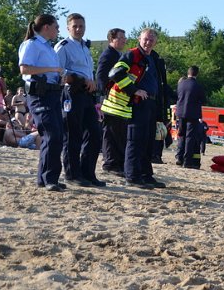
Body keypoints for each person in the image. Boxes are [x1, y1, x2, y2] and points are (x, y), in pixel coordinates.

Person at [103, 28, 168, 189]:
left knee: (147, 142)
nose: (148, 42)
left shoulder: (152, 58)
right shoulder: (132, 55)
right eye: (146, 39)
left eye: (152, 39)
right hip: (137, 103)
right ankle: (132, 177)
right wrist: (133, 90)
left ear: (156, 41)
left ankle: (146, 175)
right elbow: (115, 73)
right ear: (139, 39)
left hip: (150, 104)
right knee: (135, 141)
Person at [54, 13, 105, 187]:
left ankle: (87, 172)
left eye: (81, 26)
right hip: (72, 92)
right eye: (74, 26)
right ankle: (72, 174)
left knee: (94, 134)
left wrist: (91, 82)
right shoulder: (63, 46)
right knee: (72, 135)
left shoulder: (85, 47)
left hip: (87, 94)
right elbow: (57, 71)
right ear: (68, 27)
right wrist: (80, 79)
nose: (78, 29)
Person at [18, 14, 66, 191]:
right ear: (46, 27)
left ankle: (46, 177)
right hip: (39, 95)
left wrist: (58, 77)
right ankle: (48, 178)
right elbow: (24, 68)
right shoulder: (32, 44)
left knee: (57, 135)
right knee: (51, 134)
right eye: (56, 26)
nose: (58, 30)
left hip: (52, 94)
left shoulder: (48, 47)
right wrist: (53, 69)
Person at [96, 28, 128, 175]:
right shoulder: (108, 55)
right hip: (110, 100)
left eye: (124, 37)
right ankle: (111, 163)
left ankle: (117, 162)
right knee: (111, 132)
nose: (124, 40)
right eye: (120, 37)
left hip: (119, 101)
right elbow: (101, 76)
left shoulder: (118, 55)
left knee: (119, 132)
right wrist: (106, 94)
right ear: (111, 39)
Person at [174, 66, 206, 168]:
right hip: (192, 114)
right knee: (190, 137)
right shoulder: (197, 86)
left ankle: (179, 157)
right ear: (197, 74)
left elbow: (177, 96)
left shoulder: (181, 84)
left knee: (181, 135)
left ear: (188, 73)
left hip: (180, 113)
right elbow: (203, 100)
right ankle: (187, 161)